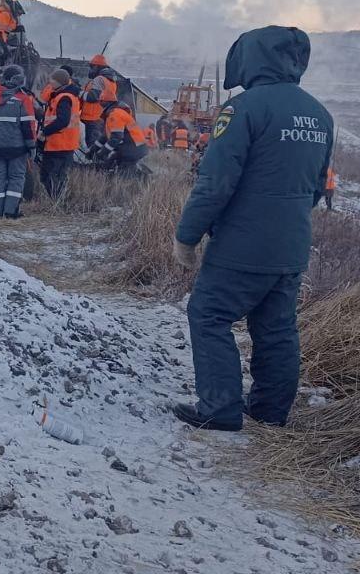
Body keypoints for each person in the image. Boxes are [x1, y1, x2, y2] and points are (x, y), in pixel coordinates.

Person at [171, 26, 333, 432]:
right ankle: (270, 411)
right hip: (292, 245)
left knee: (208, 314)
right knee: (276, 327)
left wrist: (187, 236)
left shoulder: (243, 109)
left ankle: (220, 409)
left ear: (251, 58)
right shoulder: (319, 114)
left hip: (241, 246)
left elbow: (215, 183)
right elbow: (316, 187)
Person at [0, 64, 37, 218]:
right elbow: (28, 127)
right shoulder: (23, 100)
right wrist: (31, 146)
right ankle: (11, 212)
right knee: (16, 178)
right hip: (17, 148)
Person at [38, 68, 81, 200]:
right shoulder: (63, 96)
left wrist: (44, 132)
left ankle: (57, 203)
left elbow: (62, 121)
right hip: (62, 144)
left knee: (52, 176)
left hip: (60, 144)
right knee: (51, 176)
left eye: (52, 80)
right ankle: (56, 202)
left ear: (59, 82)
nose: (50, 82)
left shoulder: (63, 98)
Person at [99, 100, 149, 176]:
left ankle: (142, 177)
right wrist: (93, 150)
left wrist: (102, 152)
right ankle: (144, 174)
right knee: (112, 161)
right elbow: (105, 137)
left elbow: (116, 138)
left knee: (123, 172)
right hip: (136, 147)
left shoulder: (115, 114)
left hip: (133, 148)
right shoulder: (119, 113)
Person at [81, 54, 118, 150]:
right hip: (101, 117)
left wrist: (79, 93)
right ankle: (99, 163)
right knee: (99, 144)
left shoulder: (99, 79)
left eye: (92, 67)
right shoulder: (110, 81)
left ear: (97, 66)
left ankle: (96, 163)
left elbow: (93, 97)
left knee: (93, 144)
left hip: (93, 117)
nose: (90, 70)